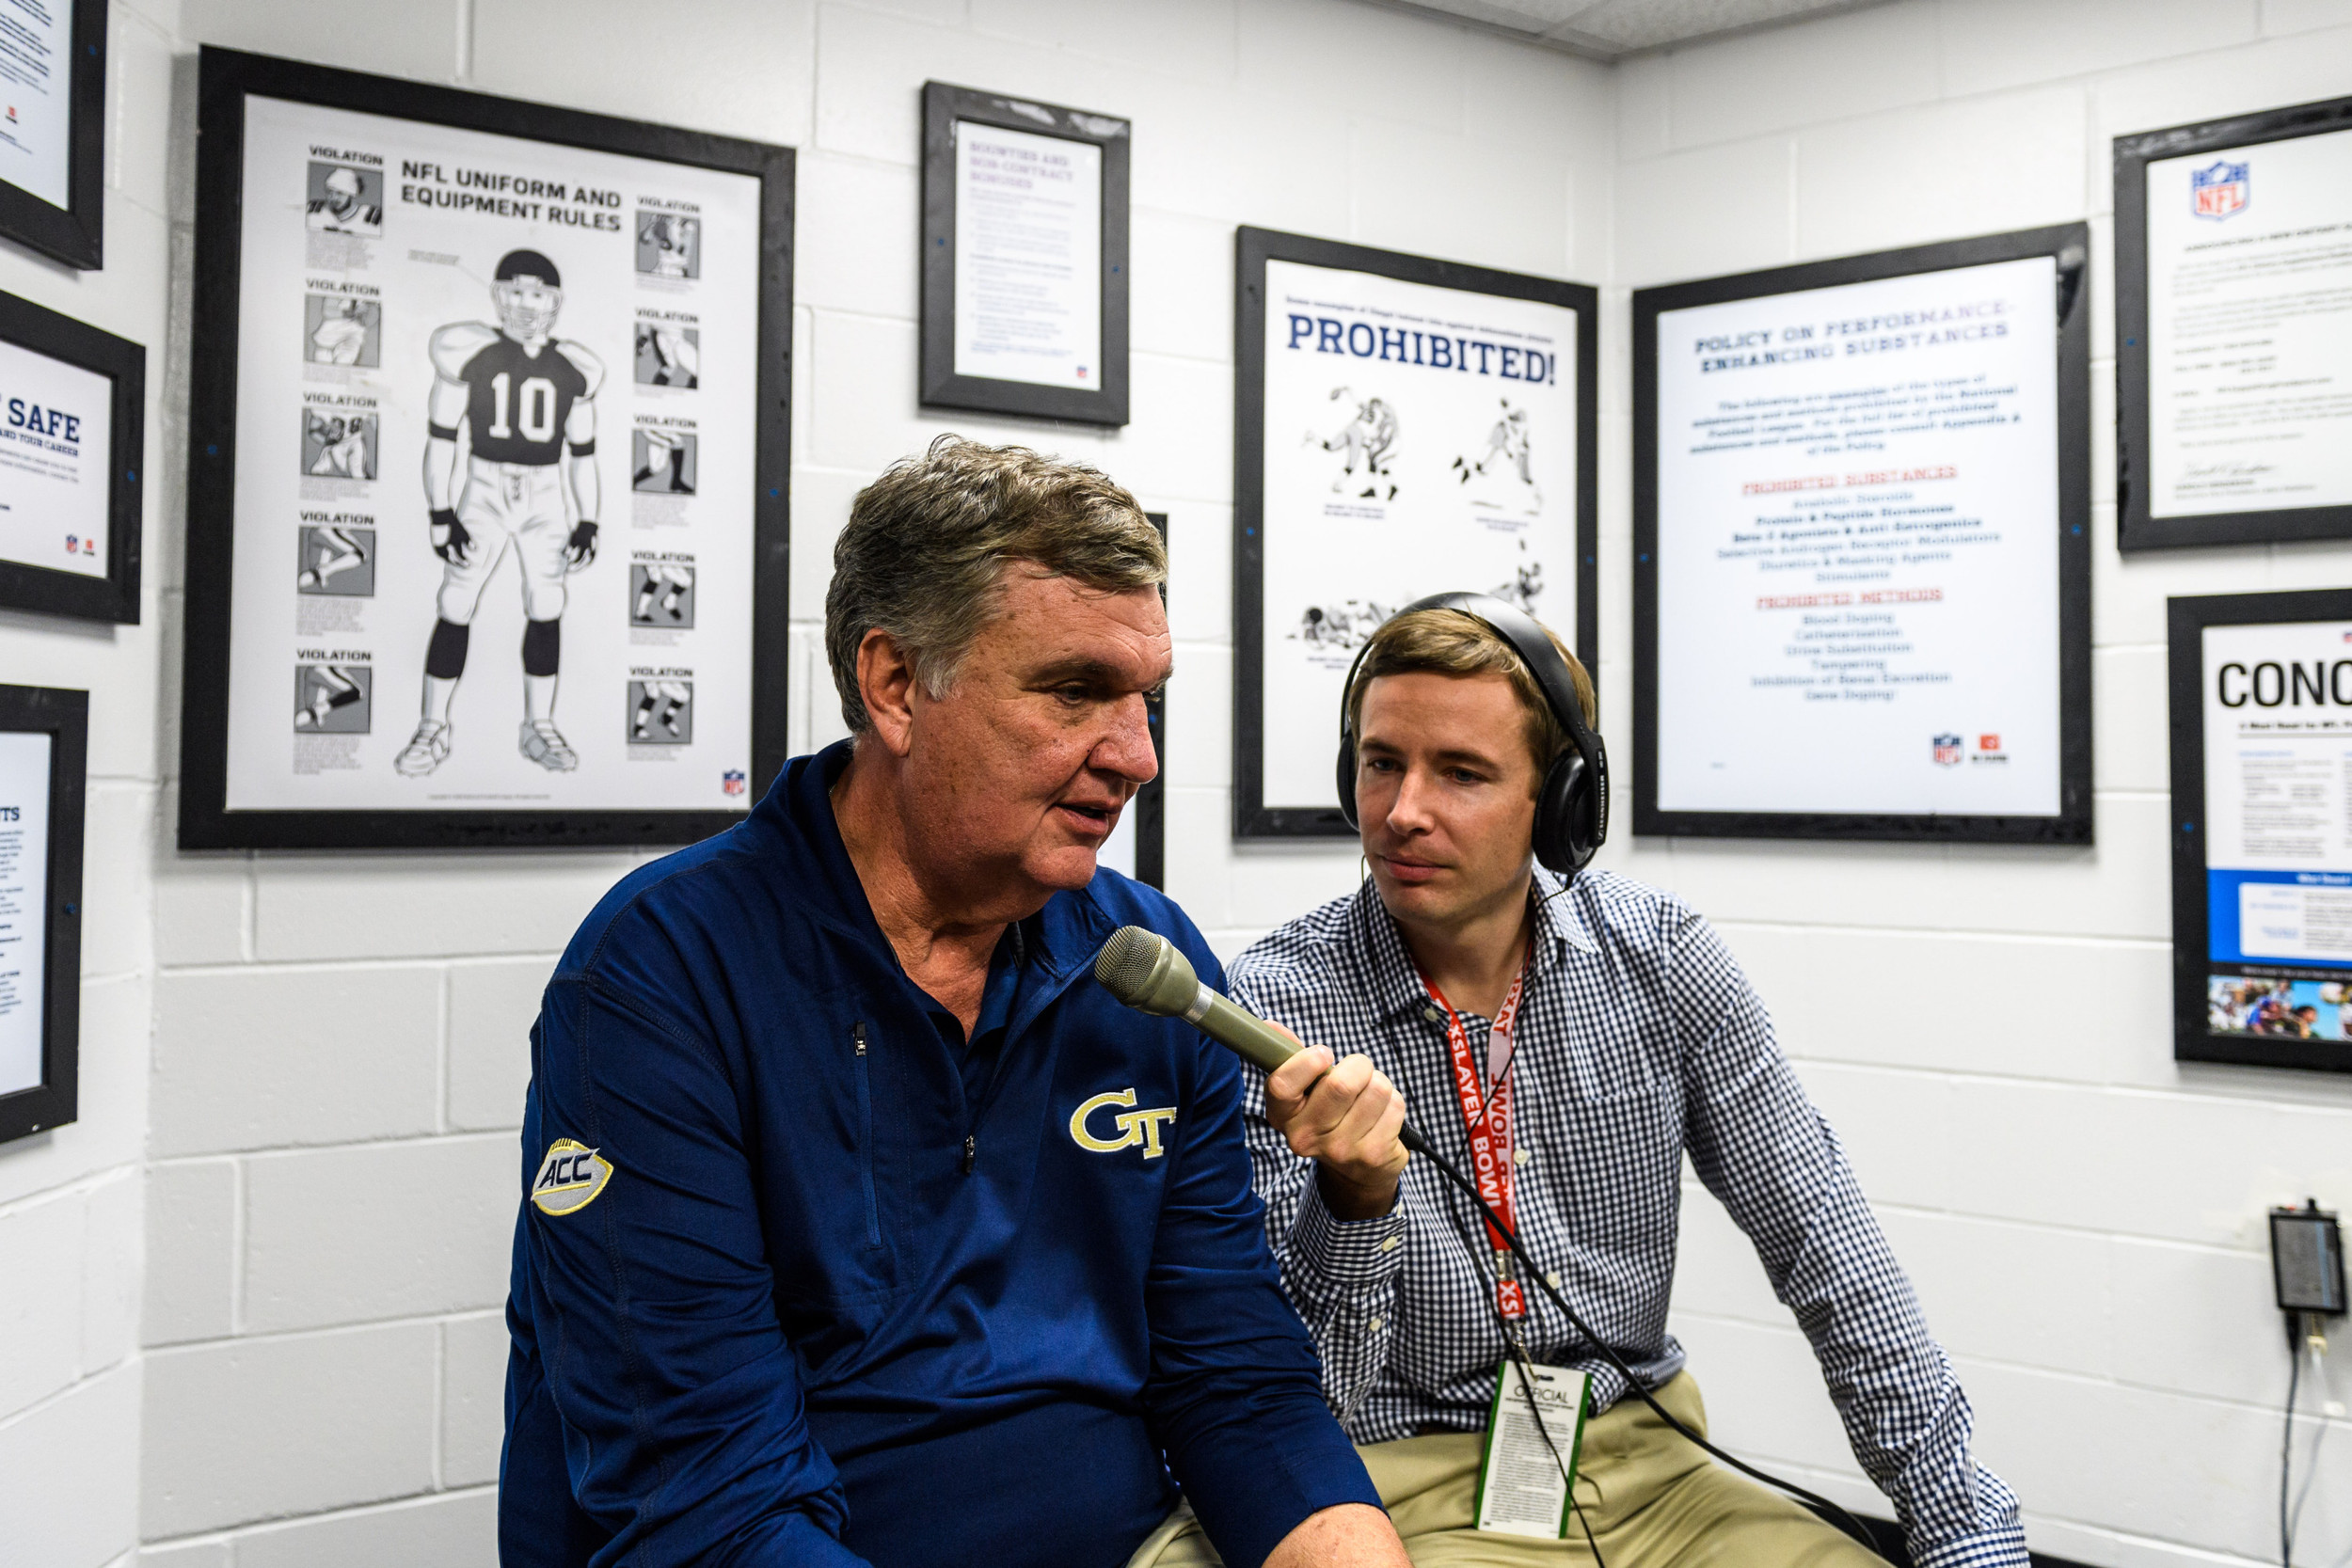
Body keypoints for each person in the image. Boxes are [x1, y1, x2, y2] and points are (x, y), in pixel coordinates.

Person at [501, 437, 1410, 1568]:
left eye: (1144, 700)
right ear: (895, 684)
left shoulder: (1148, 963)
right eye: (1076, 690)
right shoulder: (660, 974)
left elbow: (1236, 1385)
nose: (1136, 755)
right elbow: (707, 1500)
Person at [1219, 595, 2026, 1567]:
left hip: (1645, 1450)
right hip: (1399, 1473)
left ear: (1561, 801)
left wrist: (1961, 1538)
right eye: (1381, 761)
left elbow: (1832, 1257)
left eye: (1462, 772)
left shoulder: (1663, 958)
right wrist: (1351, 1205)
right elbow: (1297, 1394)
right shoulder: (1273, 1003)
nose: (1400, 811)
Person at [393, 247, 601, 778]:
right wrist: (441, 510)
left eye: (538, 294)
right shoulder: (467, 350)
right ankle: (433, 726)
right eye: (516, 291)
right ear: (498, 295)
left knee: (546, 602)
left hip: (546, 491)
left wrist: (588, 518)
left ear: (555, 302)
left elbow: (583, 454)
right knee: (457, 600)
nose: (526, 304)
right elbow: (441, 439)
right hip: (484, 485)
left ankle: (538, 725)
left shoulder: (576, 367)